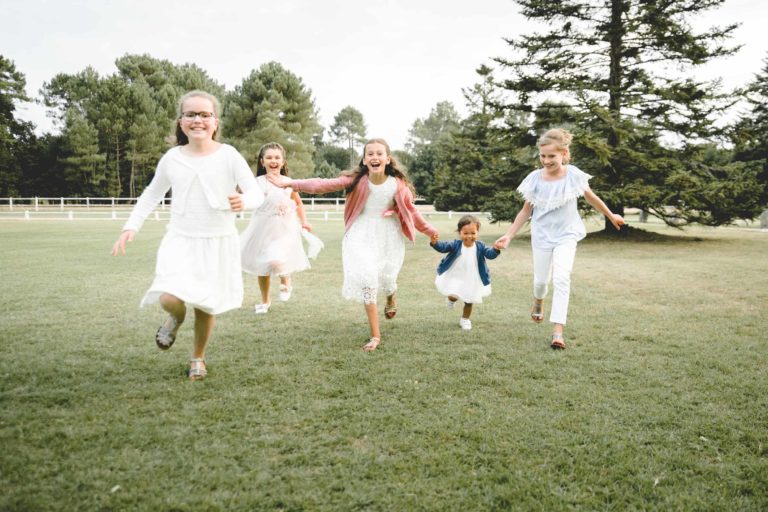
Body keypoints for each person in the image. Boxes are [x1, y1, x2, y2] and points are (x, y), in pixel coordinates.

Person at [111, 90, 264, 380]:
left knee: (207, 305)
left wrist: (245, 201)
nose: (198, 120)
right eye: (190, 114)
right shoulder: (172, 158)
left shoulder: (229, 155)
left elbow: (255, 191)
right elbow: (151, 194)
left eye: (204, 115)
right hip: (180, 239)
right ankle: (175, 318)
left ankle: (198, 358)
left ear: (215, 122)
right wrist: (130, 226)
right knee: (169, 296)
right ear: (181, 122)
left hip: (218, 241)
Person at [268, 138, 438, 351]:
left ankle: (391, 296)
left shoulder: (397, 185)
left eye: (379, 153)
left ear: (387, 159)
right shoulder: (357, 180)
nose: (374, 157)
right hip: (360, 234)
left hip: (388, 235)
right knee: (369, 280)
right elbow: (323, 184)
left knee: (388, 278)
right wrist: (292, 183)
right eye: (370, 154)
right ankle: (375, 336)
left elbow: (412, 212)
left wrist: (430, 230)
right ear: (365, 159)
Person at [494, 128, 625, 350]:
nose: (546, 160)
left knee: (562, 278)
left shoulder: (573, 175)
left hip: (567, 234)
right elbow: (526, 211)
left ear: (564, 153)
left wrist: (611, 215)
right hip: (542, 236)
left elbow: (591, 197)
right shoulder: (534, 179)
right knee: (541, 282)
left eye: (551, 156)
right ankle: (538, 301)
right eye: (543, 156)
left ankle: (558, 332)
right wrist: (508, 235)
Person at [239, 142, 319, 314]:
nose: (273, 160)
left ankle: (286, 281)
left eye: (277, 157)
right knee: (262, 266)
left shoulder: (289, 182)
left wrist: (304, 221)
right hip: (261, 227)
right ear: (262, 162)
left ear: (283, 162)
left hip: (284, 228)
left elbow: (298, 203)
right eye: (269, 157)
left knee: (276, 259)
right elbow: (247, 199)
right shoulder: (256, 182)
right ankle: (265, 301)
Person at [430, 215, 500, 331]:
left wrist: (496, 249)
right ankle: (450, 300)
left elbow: (490, 254)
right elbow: (443, 247)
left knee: (469, 300)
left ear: (477, 232)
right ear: (460, 232)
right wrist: (435, 243)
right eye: (466, 233)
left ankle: (465, 319)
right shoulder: (456, 244)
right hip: (456, 276)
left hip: (472, 277)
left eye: (473, 233)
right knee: (453, 295)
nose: (469, 236)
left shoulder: (480, 246)